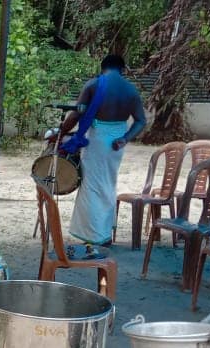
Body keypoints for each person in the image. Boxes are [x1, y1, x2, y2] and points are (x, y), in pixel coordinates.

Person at [57, 54, 147, 246]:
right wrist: (125, 138)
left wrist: (61, 131)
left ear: (103, 67)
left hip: (97, 139)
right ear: (122, 69)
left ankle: (95, 235)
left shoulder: (93, 85)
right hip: (117, 141)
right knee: (108, 184)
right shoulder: (130, 90)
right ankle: (104, 232)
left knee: (92, 185)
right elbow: (141, 121)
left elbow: (76, 114)